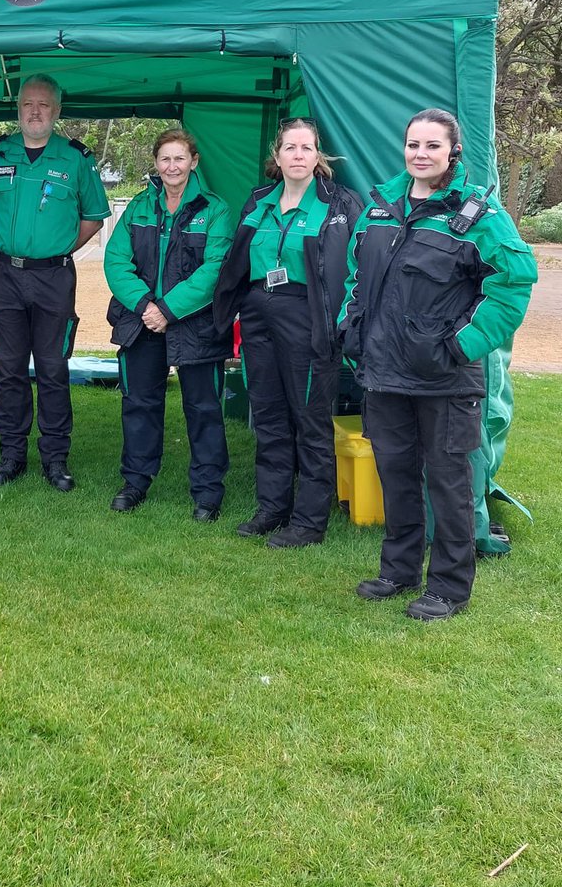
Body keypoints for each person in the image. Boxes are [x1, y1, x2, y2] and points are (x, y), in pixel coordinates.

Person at [340, 108, 536, 621]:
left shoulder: (478, 215)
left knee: (449, 484)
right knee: (396, 475)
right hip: (384, 373)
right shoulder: (380, 208)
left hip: (445, 377)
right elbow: (356, 275)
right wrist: (350, 323)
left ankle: (449, 588)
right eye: (413, 144)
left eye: (432, 145)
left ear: (453, 152)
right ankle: (398, 570)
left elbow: (514, 282)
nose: (421, 154)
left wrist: (461, 345)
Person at [213, 117, 361, 547]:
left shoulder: (339, 204)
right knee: (269, 415)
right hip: (259, 314)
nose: (298, 155)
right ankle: (273, 508)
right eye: (290, 148)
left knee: (310, 420)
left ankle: (310, 521)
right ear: (276, 156)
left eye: (306, 148)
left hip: (309, 319)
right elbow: (238, 262)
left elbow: (358, 266)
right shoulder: (259, 201)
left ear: (318, 156)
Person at [0, 73, 111, 490]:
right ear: (18, 108)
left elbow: (92, 219)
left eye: (43, 104)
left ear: (57, 110)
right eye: (27, 104)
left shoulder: (76, 159)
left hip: (53, 278)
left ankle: (55, 458)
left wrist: (56, 249)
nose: (35, 112)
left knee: (52, 368)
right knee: (9, 368)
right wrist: (10, 245)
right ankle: (11, 455)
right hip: (3, 277)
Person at [104, 128, 234, 518]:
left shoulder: (216, 210)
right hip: (141, 321)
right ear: (156, 163)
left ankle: (208, 492)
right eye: (165, 159)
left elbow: (215, 270)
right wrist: (146, 306)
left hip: (196, 325)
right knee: (139, 405)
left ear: (193, 162)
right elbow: (116, 261)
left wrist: (168, 310)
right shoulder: (139, 207)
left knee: (203, 408)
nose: (172, 166)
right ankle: (135, 481)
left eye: (179, 158)